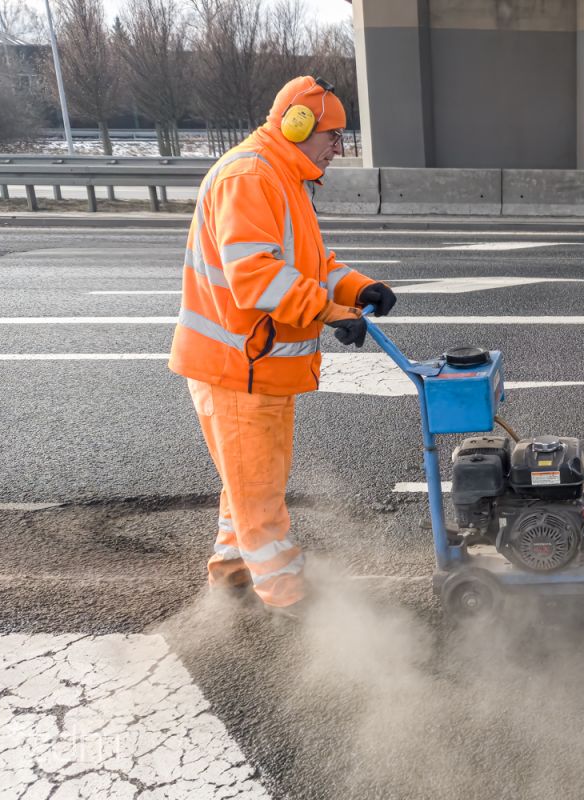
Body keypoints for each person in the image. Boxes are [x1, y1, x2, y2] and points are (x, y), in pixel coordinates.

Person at [168, 76, 397, 618]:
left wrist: (357, 287)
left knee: (245, 483)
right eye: (333, 135)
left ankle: (232, 574)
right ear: (296, 124)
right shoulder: (251, 176)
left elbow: (309, 264)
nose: (338, 148)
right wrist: (328, 310)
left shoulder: (282, 176)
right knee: (258, 492)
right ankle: (289, 596)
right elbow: (257, 276)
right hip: (238, 368)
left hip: (252, 364)